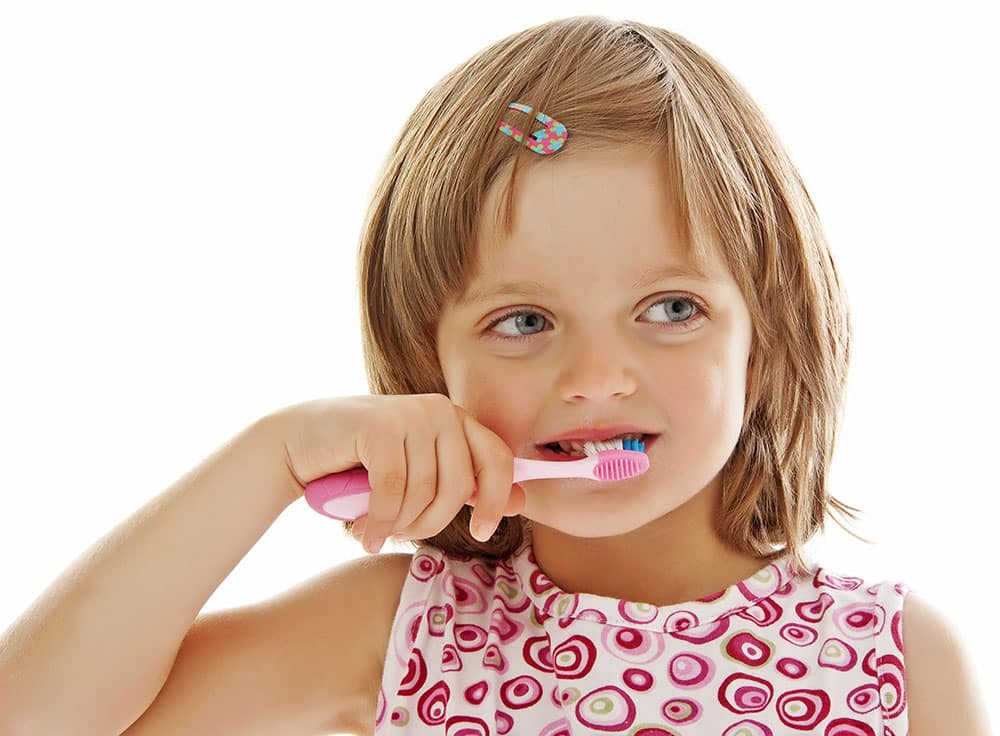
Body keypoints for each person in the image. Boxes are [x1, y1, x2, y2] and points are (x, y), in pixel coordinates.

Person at [0, 14, 989, 736]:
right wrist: (271, 456)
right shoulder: (392, 631)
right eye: (523, 321)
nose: (598, 377)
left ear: (766, 332)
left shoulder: (893, 658)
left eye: (670, 309)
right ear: (429, 364)